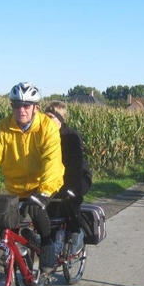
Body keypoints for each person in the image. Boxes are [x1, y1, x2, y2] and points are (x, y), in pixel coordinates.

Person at [0, 82, 64, 275]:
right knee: (5, 225)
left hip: (43, 184)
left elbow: (52, 161)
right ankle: (20, 260)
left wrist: (44, 192)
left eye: (26, 106)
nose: (21, 110)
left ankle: (47, 248)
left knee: (37, 212)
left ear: (36, 108)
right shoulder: (3, 128)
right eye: (16, 105)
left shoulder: (47, 128)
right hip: (16, 186)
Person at [44, 101, 93, 254]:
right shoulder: (41, 135)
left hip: (77, 176)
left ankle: (76, 231)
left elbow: (75, 164)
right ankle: (50, 240)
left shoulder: (71, 136)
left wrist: (71, 186)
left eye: (50, 117)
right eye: (43, 117)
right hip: (54, 177)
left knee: (69, 197)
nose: (45, 120)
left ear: (60, 119)